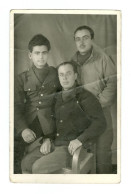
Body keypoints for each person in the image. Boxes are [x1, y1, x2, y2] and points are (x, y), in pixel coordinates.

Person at [21, 61, 106, 174]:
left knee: (38, 167)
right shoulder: (56, 97)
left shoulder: (86, 97)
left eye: (68, 74)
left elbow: (100, 123)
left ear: (75, 76)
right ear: (58, 77)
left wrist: (80, 140)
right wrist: (47, 139)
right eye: (61, 74)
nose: (64, 78)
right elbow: (52, 122)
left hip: (72, 149)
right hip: (55, 144)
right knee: (26, 163)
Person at [71, 25, 117, 174]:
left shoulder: (103, 58)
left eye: (85, 38)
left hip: (102, 112)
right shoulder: (72, 61)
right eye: (78, 39)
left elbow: (113, 82)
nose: (81, 42)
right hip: (82, 115)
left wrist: (99, 103)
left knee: (103, 152)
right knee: (84, 155)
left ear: (92, 39)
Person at [14, 34, 60, 173]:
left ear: (48, 54)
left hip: (50, 123)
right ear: (30, 55)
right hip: (28, 121)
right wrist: (23, 129)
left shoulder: (57, 73)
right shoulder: (21, 78)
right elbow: (15, 106)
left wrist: (50, 136)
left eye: (44, 53)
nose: (41, 57)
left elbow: (62, 104)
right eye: (37, 53)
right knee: (13, 150)